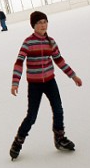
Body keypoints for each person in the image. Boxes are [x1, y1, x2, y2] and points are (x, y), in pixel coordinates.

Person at [9, 11, 83, 160]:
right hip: (35, 84)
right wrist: (15, 82)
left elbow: (59, 60)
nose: (43, 25)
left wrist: (73, 75)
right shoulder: (28, 42)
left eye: (44, 22)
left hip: (50, 81)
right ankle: (18, 141)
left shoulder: (51, 42)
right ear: (34, 26)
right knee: (32, 116)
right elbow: (19, 62)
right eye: (39, 23)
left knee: (58, 109)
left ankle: (60, 138)